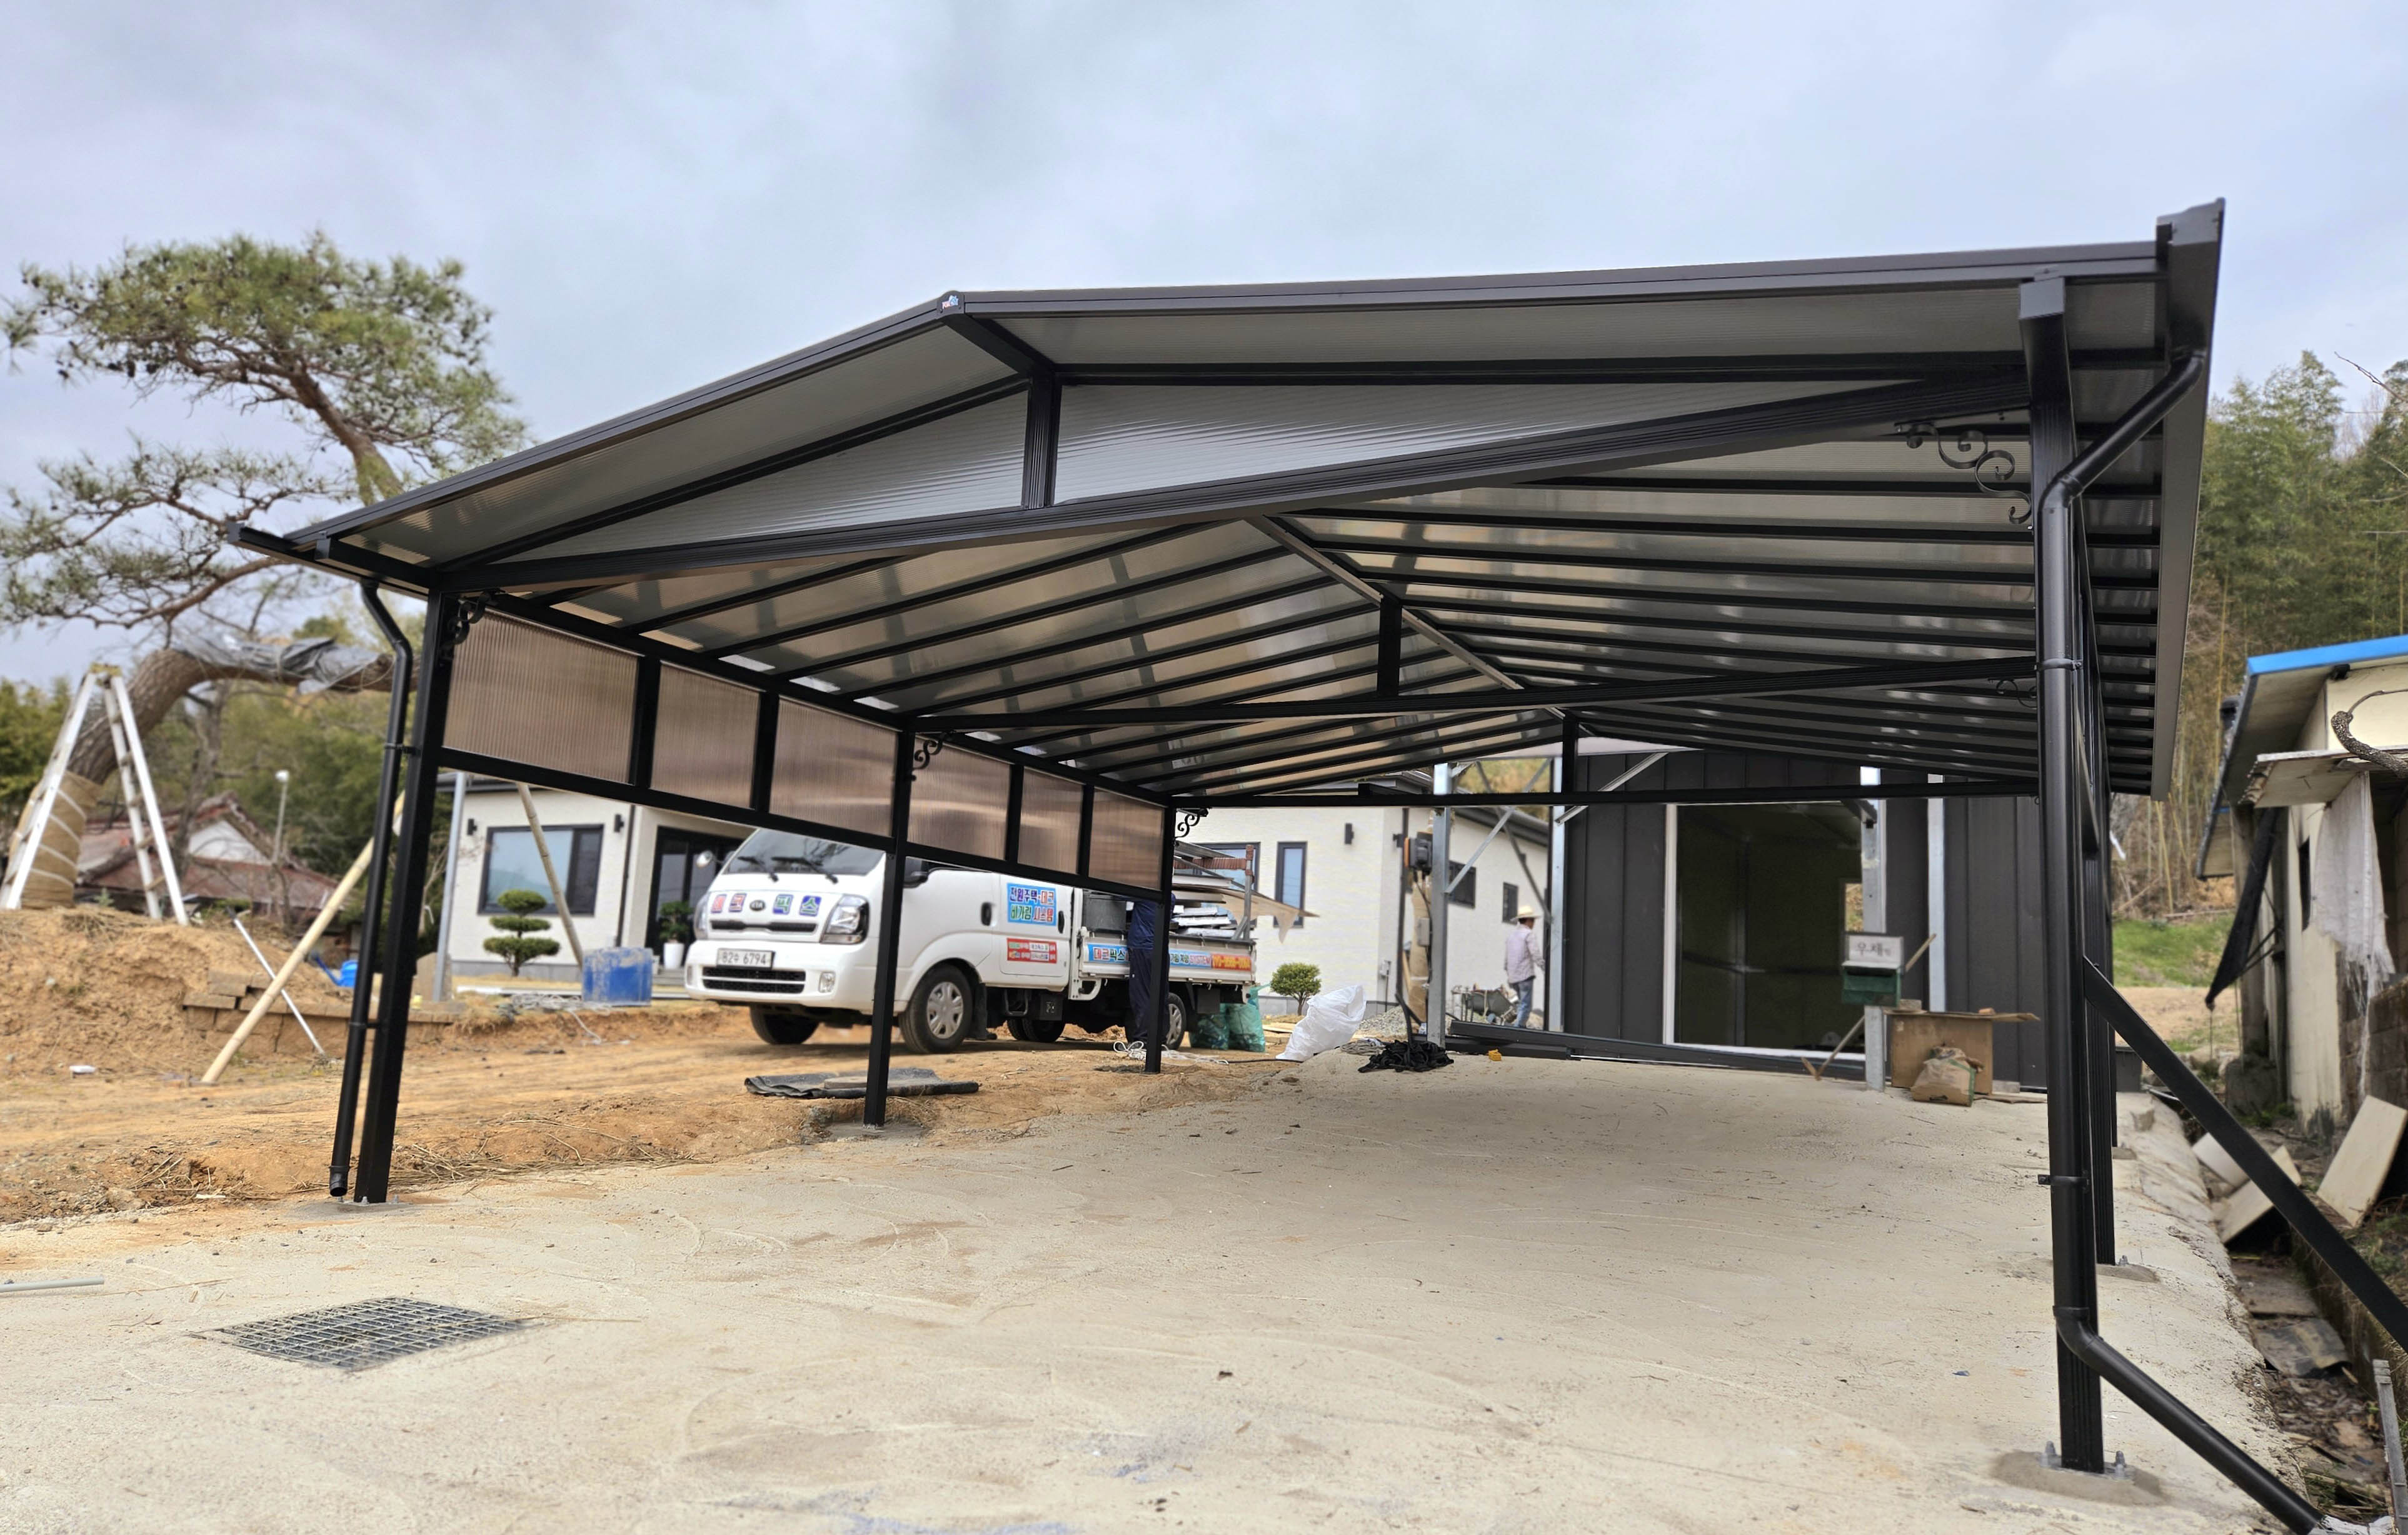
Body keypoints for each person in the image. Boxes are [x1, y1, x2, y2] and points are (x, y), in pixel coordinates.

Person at [1503, 906, 1544, 1027]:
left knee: (1521, 1004)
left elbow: (1506, 961)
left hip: (1513, 978)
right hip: (1525, 976)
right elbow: (1535, 954)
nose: (1534, 923)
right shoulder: (1528, 934)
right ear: (1528, 921)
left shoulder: (1512, 936)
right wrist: (1544, 967)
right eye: (1533, 920)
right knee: (1526, 1006)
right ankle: (1518, 1029)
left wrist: (1509, 975)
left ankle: (1520, 1027)